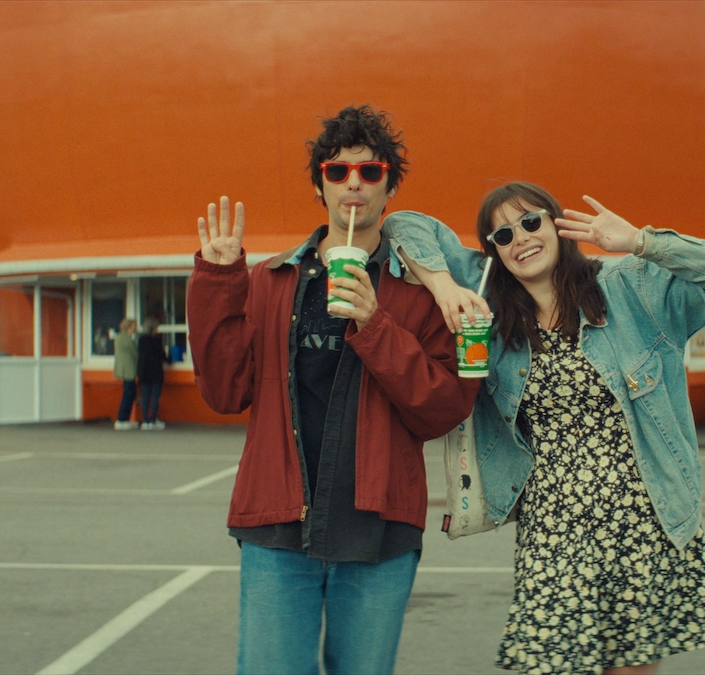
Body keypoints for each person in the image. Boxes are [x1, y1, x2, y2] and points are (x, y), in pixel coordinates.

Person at [383, 182, 705, 674]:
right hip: (553, 526)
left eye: (531, 221)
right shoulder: (489, 300)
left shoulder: (628, 289)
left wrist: (640, 241)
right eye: (503, 235)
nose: (520, 238)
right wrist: (444, 286)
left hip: (642, 520)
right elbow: (403, 224)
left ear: (557, 224)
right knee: (548, 662)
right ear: (494, 250)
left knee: (631, 668)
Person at [186, 104, 477, 675]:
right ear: (320, 185)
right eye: (338, 170)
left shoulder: (422, 295)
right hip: (277, 525)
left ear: (390, 186)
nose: (354, 183)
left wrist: (374, 325)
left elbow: (443, 409)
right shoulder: (271, 281)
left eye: (370, 171)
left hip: (377, 530)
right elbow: (224, 391)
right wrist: (219, 282)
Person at [136, 318, 169, 431]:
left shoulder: (141, 341)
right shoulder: (157, 341)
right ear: (153, 329)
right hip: (156, 373)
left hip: (144, 373)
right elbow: (163, 356)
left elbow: (140, 357)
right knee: (155, 398)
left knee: (145, 397)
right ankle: (153, 420)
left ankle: (145, 421)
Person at [113, 318, 139, 430]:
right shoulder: (126, 339)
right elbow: (135, 352)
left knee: (129, 394)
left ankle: (125, 419)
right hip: (128, 370)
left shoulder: (120, 337)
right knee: (128, 394)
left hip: (125, 370)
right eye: (133, 326)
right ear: (129, 326)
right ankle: (122, 419)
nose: (135, 328)